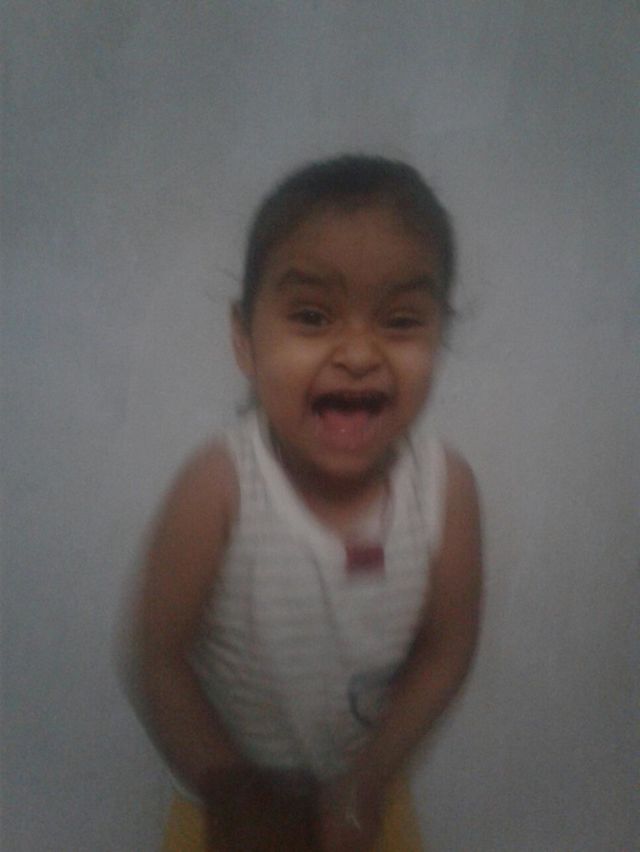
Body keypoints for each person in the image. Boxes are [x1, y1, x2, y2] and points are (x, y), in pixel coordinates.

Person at [126, 154, 483, 851]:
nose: (359, 353)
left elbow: (447, 649)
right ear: (245, 340)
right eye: (313, 316)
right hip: (228, 807)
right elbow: (155, 656)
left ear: (439, 335)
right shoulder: (219, 487)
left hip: (367, 795)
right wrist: (230, 788)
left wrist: (369, 778)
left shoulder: (447, 490)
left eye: (401, 320)